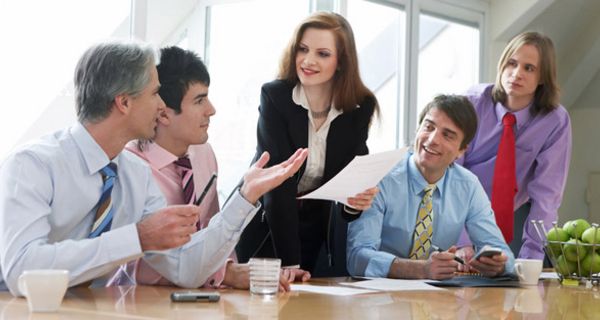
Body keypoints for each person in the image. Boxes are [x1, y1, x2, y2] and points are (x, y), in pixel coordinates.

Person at [0, 41, 307, 296]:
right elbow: (21, 270)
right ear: (123, 102)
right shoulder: (33, 164)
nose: (162, 106)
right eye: (154, 93)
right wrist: (136, 237)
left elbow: (184, 267)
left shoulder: (134, 174)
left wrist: (245, 196)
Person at [117, 46, 283, 290]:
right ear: (162, 114)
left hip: (204, 294)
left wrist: (233, 271)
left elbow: (212, 228)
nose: (211, 110)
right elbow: (157, 263)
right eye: (199, 100)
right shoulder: (131, 167)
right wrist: (227, 274)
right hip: (142, 297)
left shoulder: (202, 153)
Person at [236, 11, 379, 278]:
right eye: (303, 49)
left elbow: (350, 176)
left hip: (315, 227)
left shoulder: (360, 107)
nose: (308, 61)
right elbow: (278, 182)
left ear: (341, 62)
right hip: (266, 220)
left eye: (323, 54)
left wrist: (354, 201)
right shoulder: (275, 96)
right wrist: (290, 263)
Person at [347, 95, 514, 279]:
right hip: (376, 299)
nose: (433, 139)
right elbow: (357, 258)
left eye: (447, 135)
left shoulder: (468, 186)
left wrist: (498, 265)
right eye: (428, 127)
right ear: (417, 129)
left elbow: (501, 251)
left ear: (461, 151)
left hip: (435, 299)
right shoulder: (379, 177)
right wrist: (420, 269)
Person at [455, 31, 572, 261]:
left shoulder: (555, 122)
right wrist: (462, 243)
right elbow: (450, 174)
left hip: (508, 218)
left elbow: (546, 196)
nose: (516, 74)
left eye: (529, 68)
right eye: (512, 63)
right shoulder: (472, 102)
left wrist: (531, 259)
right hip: (454, 213)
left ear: (543, 78)